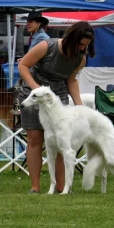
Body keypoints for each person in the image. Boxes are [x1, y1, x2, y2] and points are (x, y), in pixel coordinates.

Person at [17, 21, 94, 194]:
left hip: (58, 98)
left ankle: (61, 186)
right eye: (81, 44)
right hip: (34, 95)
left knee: (61, 142)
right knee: (35, 138)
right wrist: (34, 86)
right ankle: (35, 187)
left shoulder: (80, 59)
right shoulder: (47, 46)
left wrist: (80, 107)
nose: (83, 48)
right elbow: (23, 65)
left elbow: (71, 80)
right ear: (72, 38)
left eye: (86, 46)